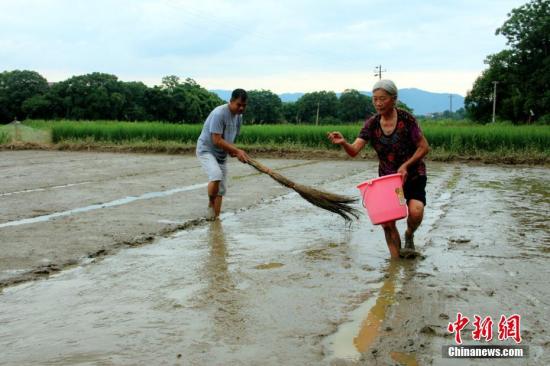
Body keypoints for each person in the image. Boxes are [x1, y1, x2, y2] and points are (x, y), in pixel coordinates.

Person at [328, 80, 430, 259]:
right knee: (387, 222)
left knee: (416, 211)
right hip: (388, 180)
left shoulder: (407, 120)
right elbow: (354, 151)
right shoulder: (372, 124)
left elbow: (423, 147)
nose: (378, 103)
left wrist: (406, 165)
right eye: (374, 99)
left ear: (394, 99)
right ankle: (396, 262)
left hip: (412, 174)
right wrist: (343, 142)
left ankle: (409, 234)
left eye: (382, 99)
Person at [196, 88, 250, 220]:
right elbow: (216, 139)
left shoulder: (239, 117)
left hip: (221, 155)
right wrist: (236, 150)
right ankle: (210, 203)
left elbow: (231, 138)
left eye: (244, 105)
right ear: (231, 101)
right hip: (207, 150)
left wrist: (232, 151)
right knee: (216, 175)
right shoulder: (219, 113)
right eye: (239, 105)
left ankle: (215, 219)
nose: (241, 108)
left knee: (220, 190)